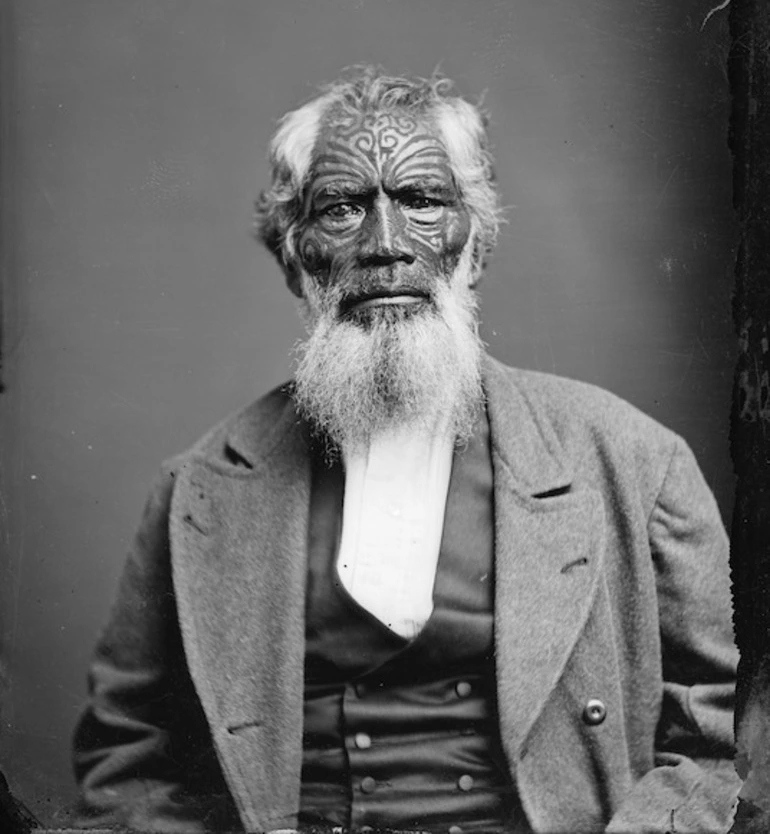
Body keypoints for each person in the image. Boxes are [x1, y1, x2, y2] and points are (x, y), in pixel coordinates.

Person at [73, 69, 740, 834]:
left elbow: (729, 740)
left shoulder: (633, 461)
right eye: (342, 209)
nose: (385, 245)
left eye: (421, 202)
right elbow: (127, 760)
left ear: (474, 246)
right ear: (296, 259)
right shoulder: (201, 489)